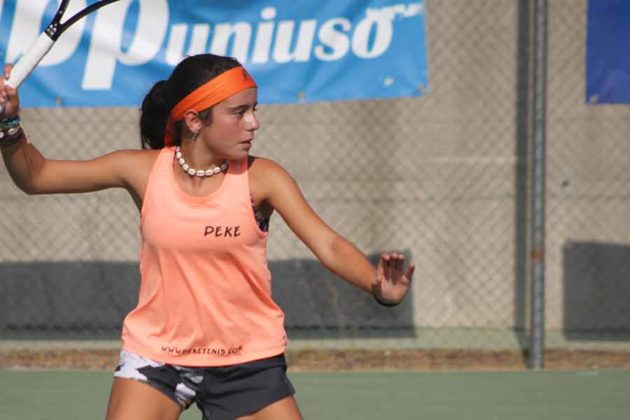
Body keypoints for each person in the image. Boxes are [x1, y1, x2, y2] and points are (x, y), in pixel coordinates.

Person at [0, 54, 415, 420]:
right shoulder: (141, 170)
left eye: (254, 110)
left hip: (246, 359)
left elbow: (328, 244)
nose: (254, 123)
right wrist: (9, 123)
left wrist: (377, 286)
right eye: (239, 112)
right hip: (158, 356)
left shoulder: (264, 178)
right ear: (195, 120)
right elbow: (37, 176)